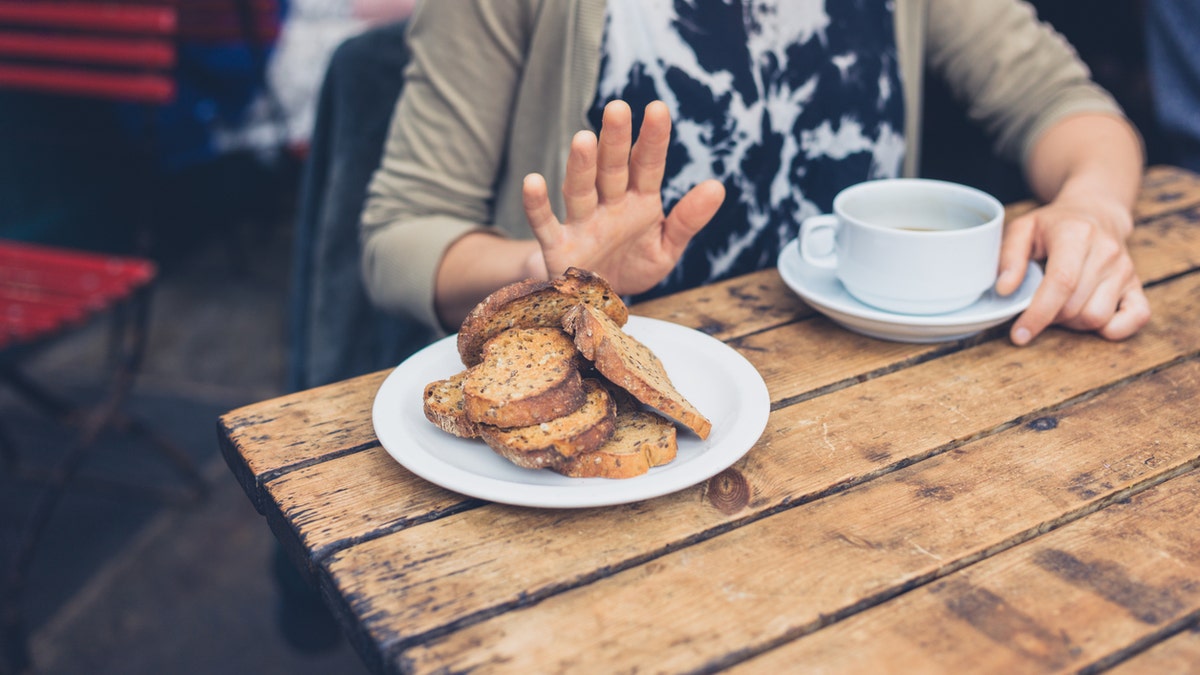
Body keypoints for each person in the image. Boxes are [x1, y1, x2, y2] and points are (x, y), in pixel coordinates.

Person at [361, 0, 1149, 348]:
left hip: (867, 395)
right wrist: (544, 271)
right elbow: (401, 234)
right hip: (606, 417)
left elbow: (1061, 102)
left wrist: (1094, 207)